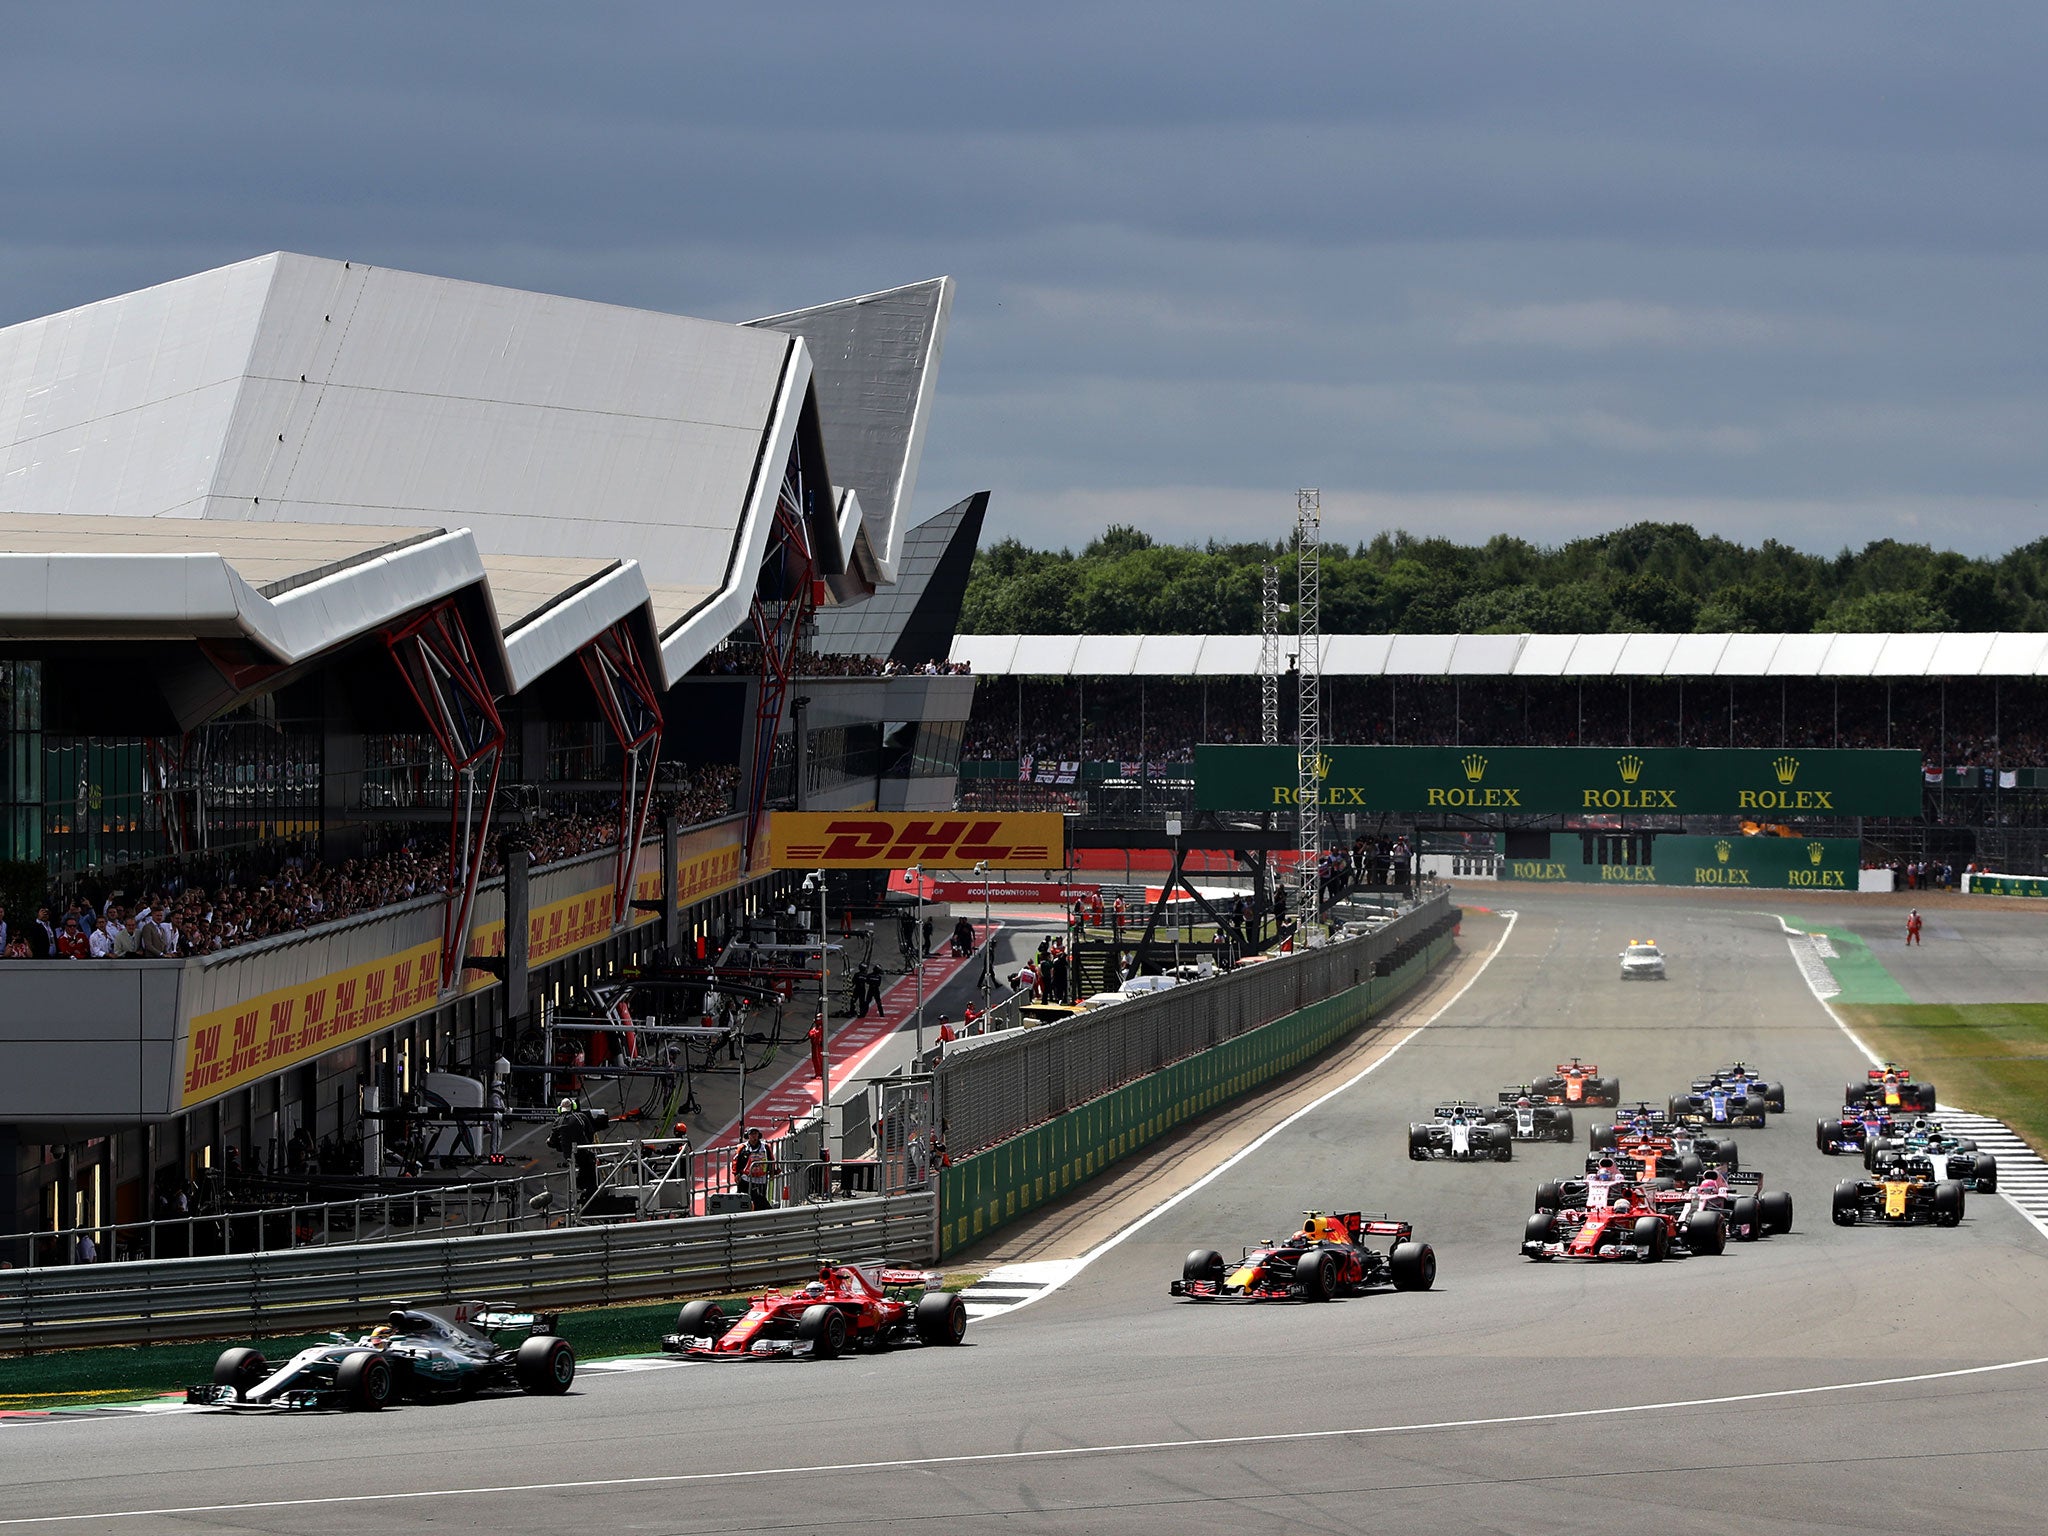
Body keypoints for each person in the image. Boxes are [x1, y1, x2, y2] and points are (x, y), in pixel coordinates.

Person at [733, 1127, 772, 1210]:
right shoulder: (742, 1147)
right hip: (746, 1178)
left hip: (761, 1179)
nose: (754, 1136)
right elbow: (736, 1161)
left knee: (760, 1200)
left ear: (759, 1135)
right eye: (752, 1134)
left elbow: (771, 1160)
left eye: (755, 1134)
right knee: (742, 1199)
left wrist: (773, 1172)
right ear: (748, 1136)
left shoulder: (765, 1147)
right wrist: (736, 1174)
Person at [807, 1017, 825, 1081]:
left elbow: (815, 1035)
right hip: (814, 1046)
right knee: (815, 1059)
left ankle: (820, 1074)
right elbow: (810, 1034)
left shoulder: (821, 1028)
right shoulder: (816, 1028)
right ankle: (817, 1073)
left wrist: (812, 1034)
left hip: (818, 1046)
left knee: (818, 1059)